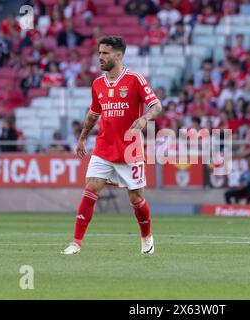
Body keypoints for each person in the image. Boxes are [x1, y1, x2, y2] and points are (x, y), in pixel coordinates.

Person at [61, 36, 162, 255]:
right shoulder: (98, 84)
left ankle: (147, 237)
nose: (100, 57)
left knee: (136, 198)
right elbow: (93, 113)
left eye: (105, 53)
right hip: (104, 147)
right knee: (91, 187)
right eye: (99, 53)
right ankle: (76, 242)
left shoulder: (135, 79)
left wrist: (144, 119)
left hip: (129, 149)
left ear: (119, 55)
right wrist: (82, 137)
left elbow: (156, 106)